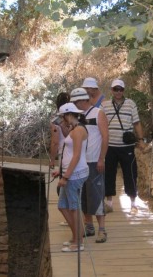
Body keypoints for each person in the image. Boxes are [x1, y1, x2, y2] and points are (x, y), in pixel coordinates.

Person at [70, 87, 109, 243]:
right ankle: (89, 225)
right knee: (83, 194)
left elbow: (106, 137)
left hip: (94, 161)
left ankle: (102, 229)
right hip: (80, 162)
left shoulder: (98, 113)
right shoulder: (77, 116)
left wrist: (101, 159)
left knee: (97, 194)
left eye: (75, 102)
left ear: (81, 100)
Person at [102, 79, 145, 214]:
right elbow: (100, 124)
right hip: (109, 146)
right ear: (112, 90)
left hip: (127, 147)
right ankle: (109, 203)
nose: (118, 92)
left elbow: (136, 123)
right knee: (109, 174)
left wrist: (141, 140)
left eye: (121, 89)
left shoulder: (131, 104)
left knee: (131, 174)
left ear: (124, 90)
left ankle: (133, 203)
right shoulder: (104, 106)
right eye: (116, 89)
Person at [52, 103, 89, 252]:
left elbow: (77, 155)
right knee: (62, 206)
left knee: (74, 208)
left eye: (62, 117)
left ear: (68, 115)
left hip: (74, 174)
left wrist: (66, 177)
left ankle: (79, 242)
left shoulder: (78, 130)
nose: (62, 121)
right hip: (69, 173)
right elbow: (69, 154)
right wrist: (61, 172)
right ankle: (76, 237)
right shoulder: (75, 129)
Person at [49, 92, 71, 170]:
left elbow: (55, 142)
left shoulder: (55, 119)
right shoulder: (75, 116)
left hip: (64, 153)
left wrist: (52, 160)